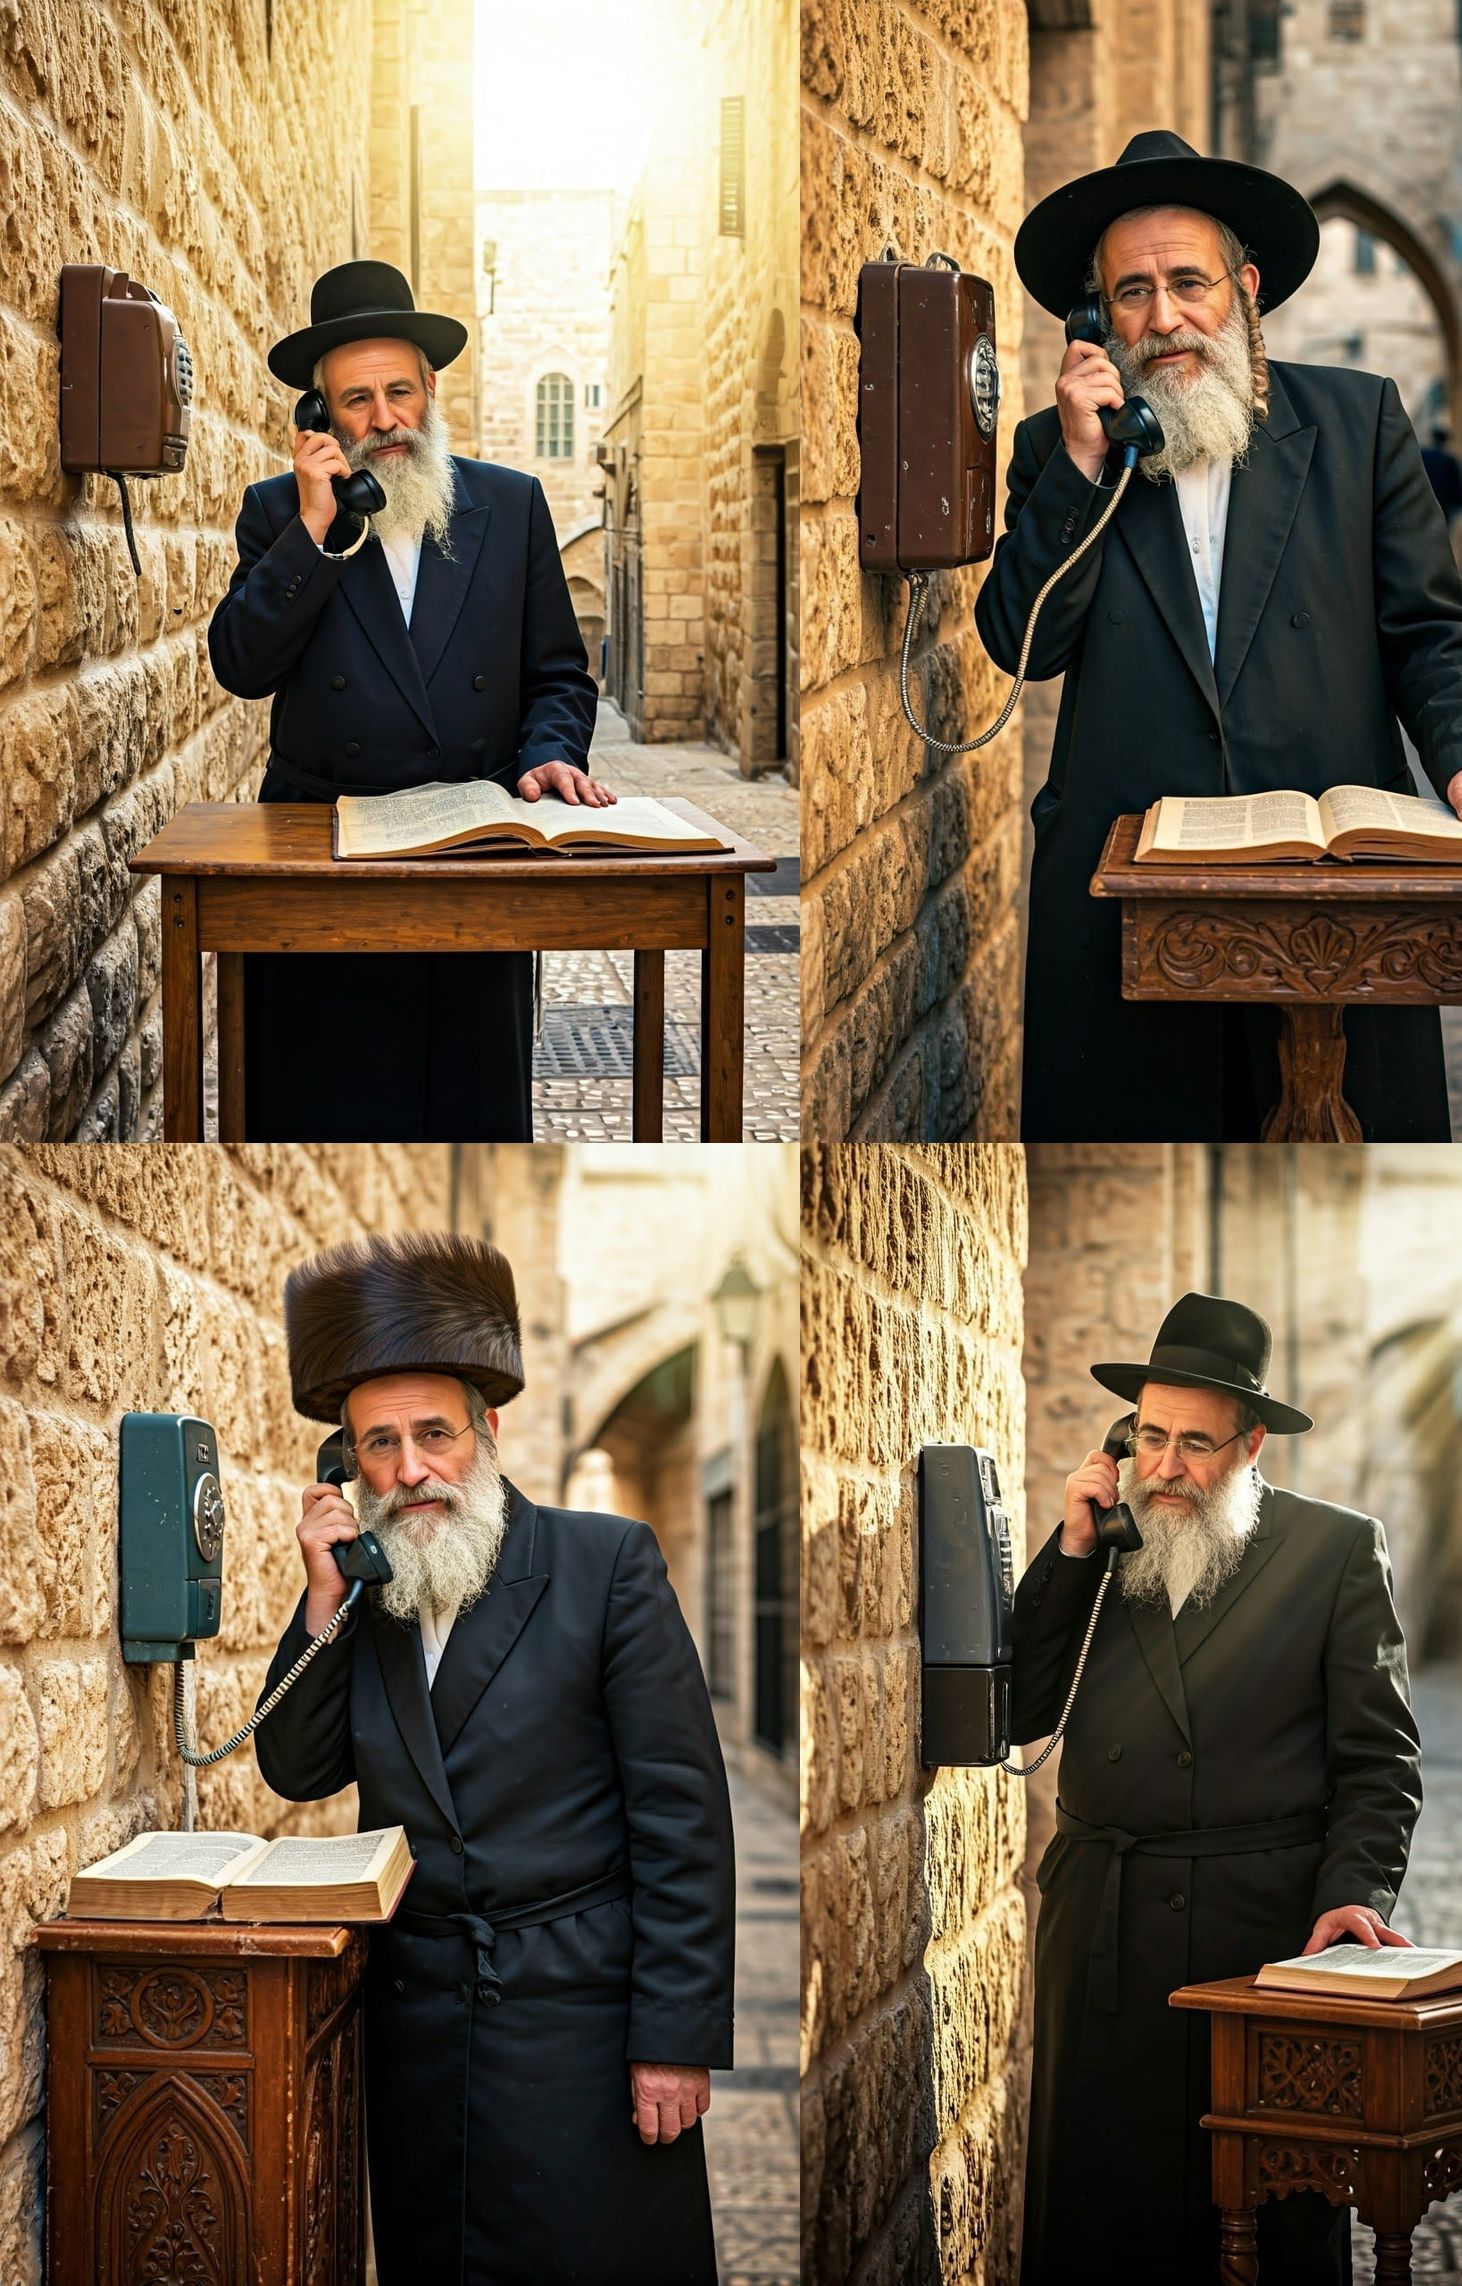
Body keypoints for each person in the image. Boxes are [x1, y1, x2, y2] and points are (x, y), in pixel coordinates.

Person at [976, 132, 1462, 1144]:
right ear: (1095, 319)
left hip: (1336, 882)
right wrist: (1077, 465)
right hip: (1126, 886)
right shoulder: (1055, 452)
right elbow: (1022, 644)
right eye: (1131, 294)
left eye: (1187, 282)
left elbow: (1429, 626)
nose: (1164, 318)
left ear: (1243, 289)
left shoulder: (1357, 419)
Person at [255, 1231, 735, 2286]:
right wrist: (322, 1604)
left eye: (434, 1434)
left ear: (490, 1432)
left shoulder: (602, 1565)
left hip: (580, 2025)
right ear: (348, 1463)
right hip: (422, 2033)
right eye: (378, 1445)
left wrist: (674, 2038)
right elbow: (295, 1769)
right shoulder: (365, 1600)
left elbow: (681, 1818)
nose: (410, 1468)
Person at [1011, 1292, 1422, 2285]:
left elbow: (1379, 1761)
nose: (1165, 1466)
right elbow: (1017, 1709)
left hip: (1265, 1934)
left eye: (1195, 1443)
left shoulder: (1332, 1550)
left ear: (1249, 1449)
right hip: (1105, 1937)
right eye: (1149, 1436)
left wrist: (1351, 1897)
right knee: (1105, 2213)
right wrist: (1069, 1550)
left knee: (1270, 2213)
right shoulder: (1103, 1545)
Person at [209, 262, 610, 1142]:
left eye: (398, 391)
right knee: (320, 1113)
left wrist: (553, 751)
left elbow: (557, 673)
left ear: (431, 390)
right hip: (322, 865)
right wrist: (315, 532)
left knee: (469, 1114)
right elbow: (240, 664)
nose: (382, 419)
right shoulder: (279, 512)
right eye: (354, 401)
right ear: (319, 412)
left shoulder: (512, 505)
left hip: (477, 857)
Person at [1421, 424, 1462, 532]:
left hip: (1425, 506)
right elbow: (1457, 486)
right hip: (1443, 508)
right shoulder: (1449, 460)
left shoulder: (1423, 456)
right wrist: (1461, 502)